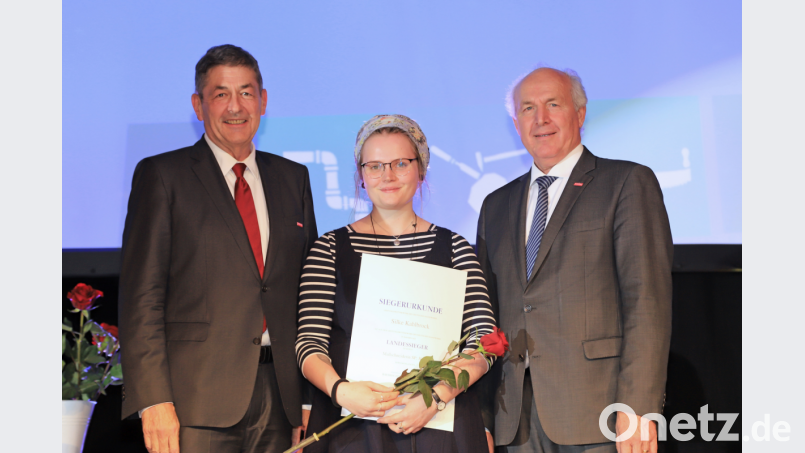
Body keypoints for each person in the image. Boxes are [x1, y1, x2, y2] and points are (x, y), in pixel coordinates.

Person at [119, 44, 317, 453]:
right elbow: (142, 297)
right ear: (198, 104)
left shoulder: (292, 178)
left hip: (280, 402)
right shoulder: (162, 176)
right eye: (220, 94)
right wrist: (153, 401)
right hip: (195, 404)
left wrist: (305, 397)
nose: (235, 107)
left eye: (246, 92)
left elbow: (306, 294)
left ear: (263, 101)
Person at [476, 67, 673, 453]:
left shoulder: (626, 183)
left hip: (599, 413)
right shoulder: (495, 205)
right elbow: (485, 315)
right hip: (514, 420)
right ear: (516, 123)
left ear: (579, 113)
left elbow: (646, 302)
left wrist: (637, 408)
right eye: (528, 108)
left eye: (553, 104)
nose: (541, 119)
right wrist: (482, 417)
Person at [295, 114, 498, 453]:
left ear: (421, 169)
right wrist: (342, 391)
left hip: (442, 425)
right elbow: (309, 344)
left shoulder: (457, 249)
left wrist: (436, 396)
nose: (387, 175)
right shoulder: (328, 250)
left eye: (400, 163)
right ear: (361, 175)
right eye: (374, 166)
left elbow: (486, 342)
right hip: (355, 428)